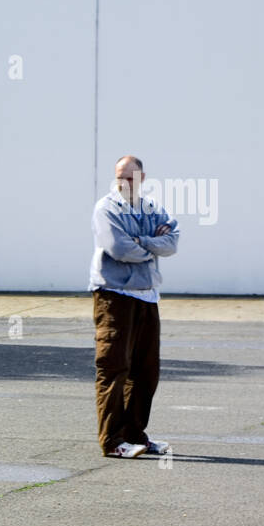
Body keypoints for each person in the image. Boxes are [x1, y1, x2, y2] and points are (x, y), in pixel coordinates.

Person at [89, 155, 180, 459]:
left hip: (147, 295)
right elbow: (117, 248)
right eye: (119, 176)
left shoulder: (153, 208)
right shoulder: (106, 208)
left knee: (145, 371)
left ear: (142, 178)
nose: (123, 182)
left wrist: (139, 241)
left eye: (130, 177)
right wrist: (150, 243)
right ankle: (112, 441)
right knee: (114, 367)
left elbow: (172, 243)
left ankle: (134, 434)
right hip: (114, 296)